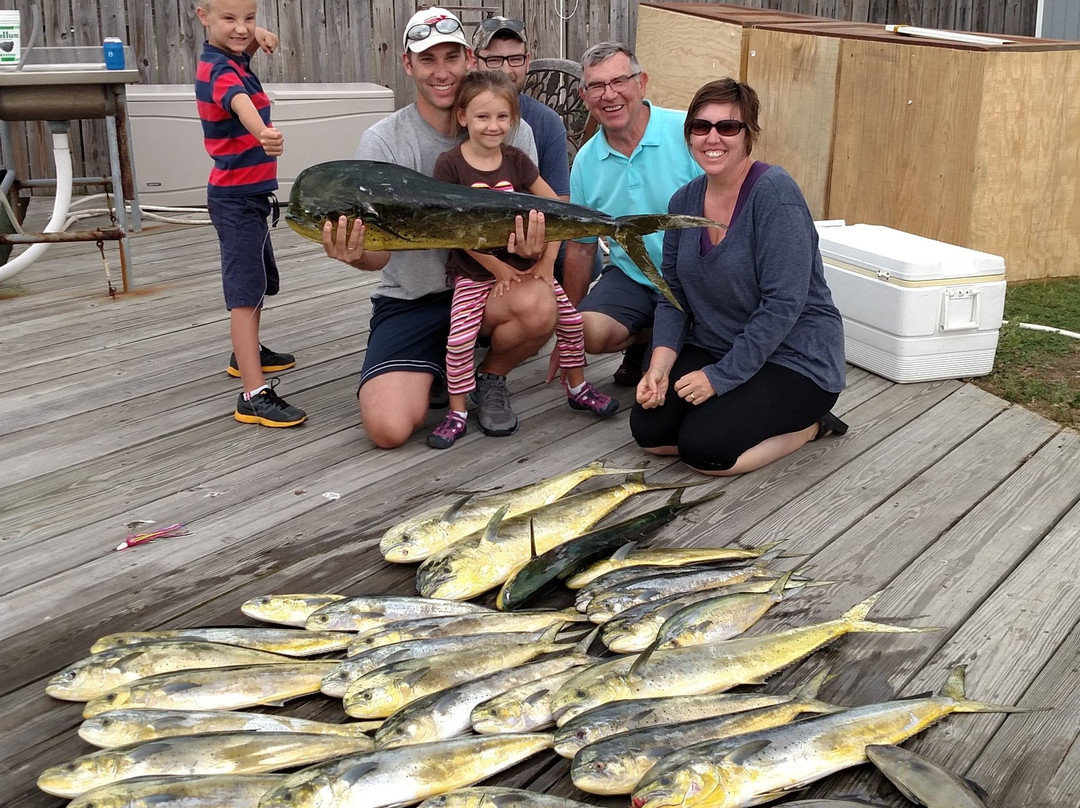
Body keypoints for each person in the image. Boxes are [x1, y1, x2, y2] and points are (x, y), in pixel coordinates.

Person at [321, 8, 556, 449]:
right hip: (412, 298)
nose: (442, 72)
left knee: (541, 305)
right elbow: (379, 256)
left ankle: (491, 375)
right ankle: (438, 368)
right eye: (427, 59)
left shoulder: (511, 130)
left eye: (451, 57)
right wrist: (353, 253)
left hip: (487, 288)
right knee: (388, 429)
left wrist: (535, 250)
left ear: (470, 59)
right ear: (408, 65)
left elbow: (542, 214)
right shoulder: (383, 141)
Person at [630, 78, 848, 476]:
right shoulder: (683, 201)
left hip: (793, 355)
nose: (712, 138)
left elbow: (782, 305)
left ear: (749, 134)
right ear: (689, 134)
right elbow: (673, 296)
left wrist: (720, 378)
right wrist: (658, 367)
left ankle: (811, 426)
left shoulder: (775, 195)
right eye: (701, 126)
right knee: (651, 433)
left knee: (706, 451)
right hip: (716, 343)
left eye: (728, 127)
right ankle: (731, 409)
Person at [427, 71, 619, 450]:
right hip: (473, 273)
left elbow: (556, 209)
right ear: (463, 117)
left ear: (513, 119)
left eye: (502, 116)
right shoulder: (450, 165)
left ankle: (577, 386)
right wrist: (496, 268)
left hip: (523, 270)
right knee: (459, 339)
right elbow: (453, 231)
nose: (493, 125)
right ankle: (458, 412)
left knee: (571, 321)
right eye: (483, 117)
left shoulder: (516, 161)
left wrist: (547, 262)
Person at [560, 42, 703, 388]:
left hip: (693, 277)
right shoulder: (586, 162)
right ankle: (648, 337)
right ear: (584, 95)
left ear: (642, 83)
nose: (609, 95)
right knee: (586, 331)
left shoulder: (686, 131)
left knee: (668, 384)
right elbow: (581, 247)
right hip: (633, 276)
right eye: (597, 86)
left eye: (619, 81)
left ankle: (665, 339)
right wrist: (567, 336)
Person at [196, 0, 305, 427]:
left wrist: (255, 41)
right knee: (244, 294)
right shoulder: (219, 71)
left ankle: (247, 355)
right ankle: (253, 395)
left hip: (249, 197)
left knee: (256, 283)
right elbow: (239, 100)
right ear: (204, 17)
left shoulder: (230, 58)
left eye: (249, 18)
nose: (241, 28)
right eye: (229, 19)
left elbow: (240, 60)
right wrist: (262, 132)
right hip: (236, 200)